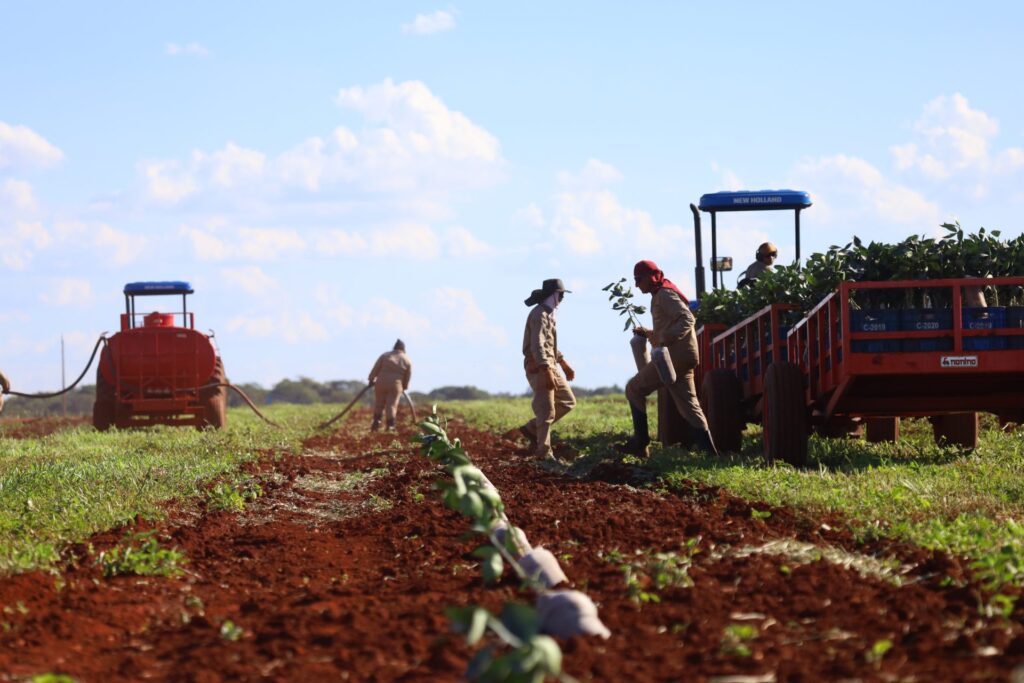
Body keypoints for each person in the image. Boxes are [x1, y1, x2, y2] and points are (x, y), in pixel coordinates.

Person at [621, 260, 716, 457]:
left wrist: (663, 338)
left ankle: (641, 443)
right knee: (689, 405)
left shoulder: (664, 294)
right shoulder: (660, 293)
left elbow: (688, 318)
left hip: (673, 358)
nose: (637, 285)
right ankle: (711, 454)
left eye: (639, 279)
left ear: (650, 277)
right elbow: (670, 326)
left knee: (634, 389)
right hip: (683, 355)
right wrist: (649, 333)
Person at [516, 278, 577, 461]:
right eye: (561, 294)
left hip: (550, 364)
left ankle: (533, 428)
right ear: (553, 295)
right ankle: (544, 454)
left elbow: (549, 344)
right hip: (539, 366)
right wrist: (545, 369)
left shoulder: (549, 314)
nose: (562, 298)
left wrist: (563, 362)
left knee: (567, 401)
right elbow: (537, 345)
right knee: (546, 410)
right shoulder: (539, 315)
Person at [368, 339, 412, 431]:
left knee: (379, 403)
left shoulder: (385, 355)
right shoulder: (406, 359)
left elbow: (375, 369)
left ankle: (376, 423)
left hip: (381, 383)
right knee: (391, 405)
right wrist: (405, 386)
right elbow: (408, 376)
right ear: (403, 349)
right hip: (395, 385)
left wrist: (371, 379)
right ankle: (390, 426)